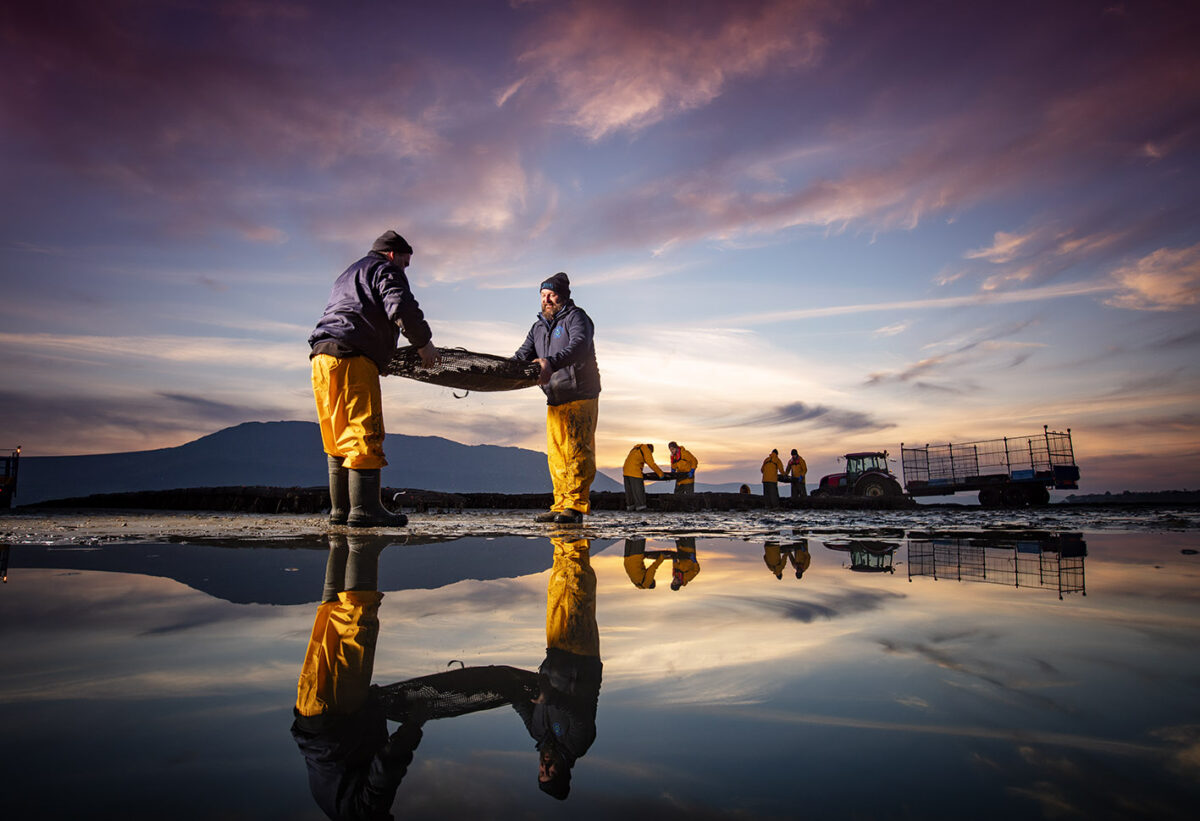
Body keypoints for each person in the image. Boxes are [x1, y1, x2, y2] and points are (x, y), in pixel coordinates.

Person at [291, 533, 427, 820]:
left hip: (337, 712)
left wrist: (413, 727)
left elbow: (385, 769)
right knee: (331, 610)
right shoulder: (332, 808)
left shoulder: (364, 816)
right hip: (308, 708)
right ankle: (339, 530)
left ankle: (361, 530)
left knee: (358, 615)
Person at [309, 230, 439, 528]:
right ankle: (366, 510)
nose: (405, 269)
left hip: (322, 357)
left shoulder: (348, 274)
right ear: (394, 254)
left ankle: (340, 510)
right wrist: (423, 342)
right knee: (364, 432)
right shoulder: (385, 269)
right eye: (406, 263)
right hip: (353, 357)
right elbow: (401, 306)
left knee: (336, 437)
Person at [513, 536, 603, 800]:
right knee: (577, 585)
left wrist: (505, 687)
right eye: (550, 772)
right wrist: (549, 698)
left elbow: (519, 701)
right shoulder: (579, 744)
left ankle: (560, 538)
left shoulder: (537, 732)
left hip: (553, 652)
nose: (545, 766)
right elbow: (577, 715)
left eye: (541, 771)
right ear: (563, 772)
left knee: (556, 586)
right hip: (581, 655)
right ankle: (574, 532)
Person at [514, 273, 601, 524]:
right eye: (543, 295)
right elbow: (521, 355)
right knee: (556, 455)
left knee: (577, 451)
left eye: (551, 295)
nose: (547, 300)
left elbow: (579, 346)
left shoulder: (577, 318)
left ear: (563, 295)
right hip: (554, 397)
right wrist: (498, 371)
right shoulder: (538, 327)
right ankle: (560, 503)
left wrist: (550, 363)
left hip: (580, 393)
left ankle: (575, 506)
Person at [622, 443, 663, 511]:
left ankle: (630, 507)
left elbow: (636, 461)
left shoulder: (636, 449)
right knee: (638, 489)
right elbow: (651, 463)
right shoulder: (646, 450)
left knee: (630, 491)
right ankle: (641, 507)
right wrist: (660, 473)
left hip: (626, 471)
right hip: (634, 472)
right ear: (650, 450)